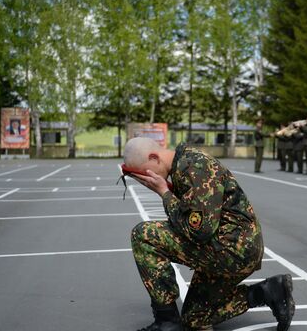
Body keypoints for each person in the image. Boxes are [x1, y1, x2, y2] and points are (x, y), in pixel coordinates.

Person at [124, 138, 295, 331]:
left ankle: (167, 321)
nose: (144, 180)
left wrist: (165, 193)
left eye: (143, 173)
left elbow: (199, 231)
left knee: (144, 235)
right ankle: (268, 292)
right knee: (195, 318)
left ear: (154, 158)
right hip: (230, 246)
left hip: (232, 249)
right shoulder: (183, 164)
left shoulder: (193, 166)